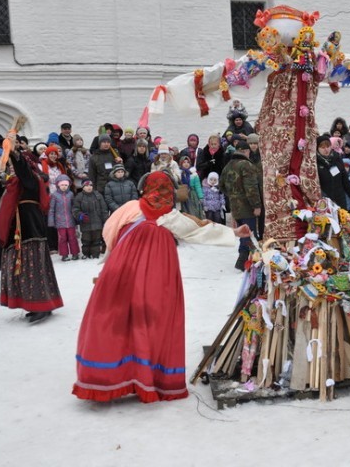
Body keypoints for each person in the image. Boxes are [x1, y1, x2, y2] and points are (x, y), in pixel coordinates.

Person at [73, 171, 250, 403]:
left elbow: (110, 230)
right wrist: (233, 233)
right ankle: (149, 376)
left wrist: (112, 258)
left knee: (117, 317)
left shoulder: (130, 207)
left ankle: (109, 375)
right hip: (157, 275)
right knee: (152, 319)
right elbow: (198, 229)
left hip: (122, 270)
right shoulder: (170, 216)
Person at [0, 139, 63, 324]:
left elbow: (23, 170)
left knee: (32, 266)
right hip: (18, 231)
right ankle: (36, 303)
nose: (12, 169)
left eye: (14, 166)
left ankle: (40, 304)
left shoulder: (31, 180)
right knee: (25, 267)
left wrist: (13, 154)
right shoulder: (15, 184)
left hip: (29, 229)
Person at [219, 140, 261, 270]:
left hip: (235, 206)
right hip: (247, 206)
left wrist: (233, 195)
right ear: (246, 151)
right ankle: (243, 261)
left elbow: (221, 185)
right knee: (248, 233)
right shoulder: (246, 165)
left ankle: (246, 259)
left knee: (243, 232)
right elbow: (251, 188)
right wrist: (257, 205)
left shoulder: (228, 165)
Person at [316, 135, 350, 214]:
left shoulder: (337, 159)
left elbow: (346, 183)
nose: (326, 149)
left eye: (328, 146)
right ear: (317, 148)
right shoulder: (315, 163)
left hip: (340, 201)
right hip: (324, 204)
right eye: (322, 147)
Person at [72, 179, 108, 259]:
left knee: (96, 239)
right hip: (86, 223)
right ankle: (86, 254)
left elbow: (104, 209)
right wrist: (80, 215)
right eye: (87, 186)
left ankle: (95, 254)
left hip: (97, 222)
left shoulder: (98, 195)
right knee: (86, 239)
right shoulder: (79, 197)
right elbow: (75, 209)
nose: (89, 187)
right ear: (83, 187)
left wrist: (105, 219)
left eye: (91, 185)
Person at [48, 175, 80, 261]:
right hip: (60, 221)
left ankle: (75, 253)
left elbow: (74, 207)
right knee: (62, 238)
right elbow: (51, 209)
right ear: (58, 185)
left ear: (68, 185)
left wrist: (76, 218)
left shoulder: (71, 194)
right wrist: (51, 221)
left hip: (70, 221)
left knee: (72, 237)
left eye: (66, 185)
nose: (64, 187)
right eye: (62, 185)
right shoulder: (54, 196)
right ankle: (64, 254)